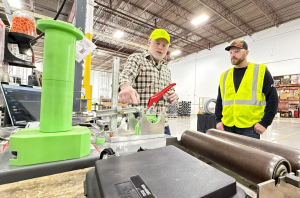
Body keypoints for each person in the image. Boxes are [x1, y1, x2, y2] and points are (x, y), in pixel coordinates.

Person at [118, 29, 179, 135]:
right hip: (140, 124)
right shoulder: (137, 59)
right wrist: (126, 87)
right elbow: (126, 75)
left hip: (162, 125)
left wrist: (174, 97)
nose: (160, 47)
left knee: (167, 151)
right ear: (149, 42)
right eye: (157, 43)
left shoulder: (166, 70)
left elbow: (171, 92)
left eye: (164, 45)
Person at [215, 39, 278, 139]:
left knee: (248, 154)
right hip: (227, 126)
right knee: (227, 154)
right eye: (231, 52)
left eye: (237, 51)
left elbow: (273, 98)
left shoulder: (260, 71)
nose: (233, 55)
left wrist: (265, 122)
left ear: (246, 52)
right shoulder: (225, 75)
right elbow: (220, 100)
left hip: (251, 127)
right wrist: (218, 120)